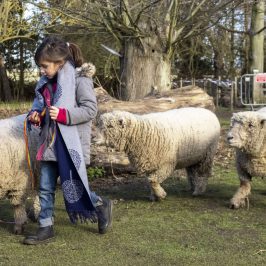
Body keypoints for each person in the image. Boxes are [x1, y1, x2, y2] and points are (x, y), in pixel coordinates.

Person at [23, 36, 112, 245]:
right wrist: (35, 116)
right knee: (45, 187)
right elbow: (37, 107)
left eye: (44, 66)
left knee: (74, 186)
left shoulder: (81, 80)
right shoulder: (45, 84)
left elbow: (90, 110)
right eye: (40, 67)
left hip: (69, 145)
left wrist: (64, 115)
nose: (41, 71)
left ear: (59, 62)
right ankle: (45, 227)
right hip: (49, 143)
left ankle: (100, 204)